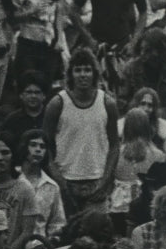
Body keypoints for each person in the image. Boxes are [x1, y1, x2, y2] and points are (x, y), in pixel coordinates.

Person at [42, 48, 120, 214]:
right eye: (78, 70)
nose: (83, 74)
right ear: (71, 74)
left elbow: (114, 145)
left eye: (87, 69)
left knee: (98, 235)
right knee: (66, 236)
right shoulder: (57, 104)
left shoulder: (107, 103)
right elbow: (45, 146)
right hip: (67, 181)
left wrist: (105, 182)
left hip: (97, 182)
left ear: (94, 73)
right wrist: (59, 181)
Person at [17, 130, 67, 243]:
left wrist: (50, 242)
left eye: (42, 146)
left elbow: (57, 223)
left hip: (39, 246)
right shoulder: (13, 179)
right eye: (33, 145)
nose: (38, 149)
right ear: (24, 147)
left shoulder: (52, 187)